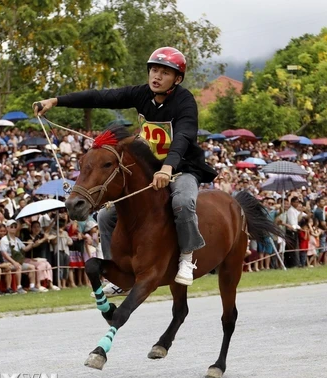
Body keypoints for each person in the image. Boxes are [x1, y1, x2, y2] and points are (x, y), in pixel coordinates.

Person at [34, 47, 217, 289]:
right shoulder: (141, 94)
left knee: (182, 203)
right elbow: (101, 97)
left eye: (165, 72)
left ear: (177, 79)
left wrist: (168, 168)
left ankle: (186, 258)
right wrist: (56, 101)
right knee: (106, 215)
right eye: (154, 70)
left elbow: (182, 137)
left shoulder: (185, 102)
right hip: (152, 171)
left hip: (183, 168)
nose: (157, 76)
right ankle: (118, 273)